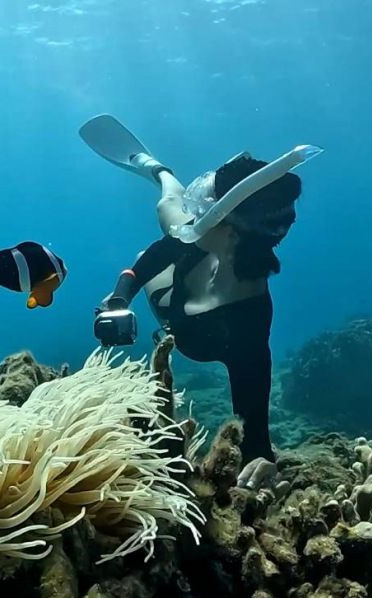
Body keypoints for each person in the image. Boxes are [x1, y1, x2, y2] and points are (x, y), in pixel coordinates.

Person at [80, 115, 322, 488]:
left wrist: (259, 451)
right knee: (170, 205)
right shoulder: (204, 236)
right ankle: (157, 170)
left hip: (199, 329)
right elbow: (151, 260)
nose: (196, 215)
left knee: (176, 222)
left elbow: (253, 400)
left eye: (203, 207)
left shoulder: (248, 319)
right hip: (176, 294)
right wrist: (118, 299)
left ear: (227, 226)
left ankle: (163, 176)